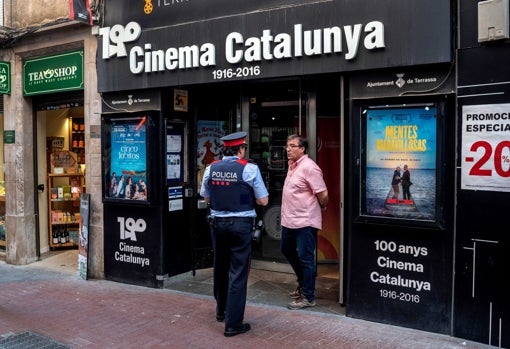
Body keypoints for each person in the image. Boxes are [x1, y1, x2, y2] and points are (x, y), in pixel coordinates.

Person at [200, 131, 269, 337]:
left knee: (220, 266)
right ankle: (233, 323)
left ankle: (221, 311)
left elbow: (206, 197)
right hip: (241, 225)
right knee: (238, 272)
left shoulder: (211, 168)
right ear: (241, 149)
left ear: (224, 149)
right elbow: (263, 201)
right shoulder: (250, 169)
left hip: (217, 224)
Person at [280, 134, 329, 310]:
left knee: (306, 258)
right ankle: (303, 283)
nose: (288, 149)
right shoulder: (292, 166)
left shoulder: (310, 167)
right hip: (289, 220)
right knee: (286, 249)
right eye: (287, 146)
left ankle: (308, 296)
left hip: (305, 221)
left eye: (292, 146)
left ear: (302, 149)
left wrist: (321, 207)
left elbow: (323, 194)